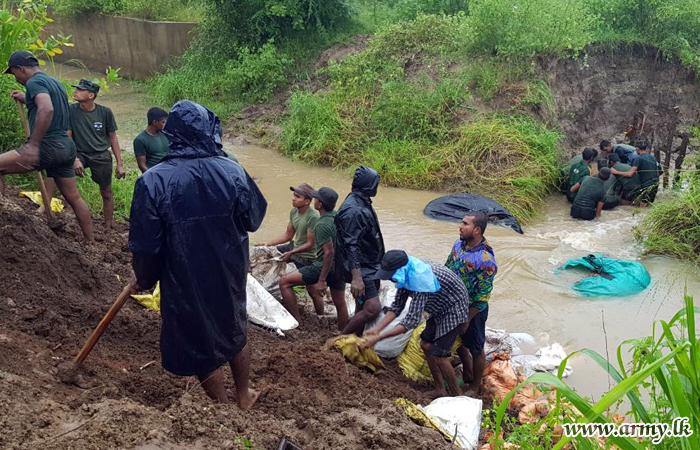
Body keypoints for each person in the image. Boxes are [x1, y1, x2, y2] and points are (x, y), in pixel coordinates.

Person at [128, 100, 267, 408]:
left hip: (182, 273)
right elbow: (254, 219)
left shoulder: (152, 180)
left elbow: (146, 244)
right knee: (234, 326)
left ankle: (221, 405)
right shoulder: (233, 171)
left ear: (171, 134)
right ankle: (244, 396)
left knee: (197, 335)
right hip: (228, 267)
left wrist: (145, 277)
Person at [0, 51, 93, 240]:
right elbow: (49, 105)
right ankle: (90, 241)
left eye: (14, 73)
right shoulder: (54, 83)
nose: (16, 78)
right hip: (66, 147)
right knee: (74, 198)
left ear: (21, 69)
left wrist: (33, 145)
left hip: (47, 145)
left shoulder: (34, 82)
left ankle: (3, 219)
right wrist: (25, 98)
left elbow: (47, 108)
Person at [363, 250, 470, 398]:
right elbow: (396, 307)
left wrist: (379, 337)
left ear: (399, 270)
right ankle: (440, 389)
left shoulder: (419, 279)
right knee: (426, 344)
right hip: (437, 305)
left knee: (440, 355)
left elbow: (411, 321)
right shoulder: (406, 273)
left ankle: (457, 396)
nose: (391, 280)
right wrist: (376, 329)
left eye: (391, 275)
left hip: (452, 307)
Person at [43, 79, 125, 229]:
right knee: (55, 168)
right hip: (78, 152)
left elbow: (113, 138)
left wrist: (120, 164)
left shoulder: (105, 112)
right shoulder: (71, 110)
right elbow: (68, 135)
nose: (75, 91)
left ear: (91, 95)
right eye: (76, 89)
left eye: (80, 90)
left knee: (106, 192)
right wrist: (74, 158)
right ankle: (44, 207)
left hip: (100, 154)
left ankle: (108, 225)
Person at [278, 187, 349, 330]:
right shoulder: (337, 217)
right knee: (340, 304)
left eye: (316, 199)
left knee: (284, 282)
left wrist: (322, 280)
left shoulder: (321, 224)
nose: (314, 201)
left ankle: (296, 322)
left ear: (320, 204)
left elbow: (328, 253)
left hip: (323, 266)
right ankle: (343, 333)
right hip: (339, 268)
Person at [445, 211, 498, 396]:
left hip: (473, 309)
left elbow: (483, 295)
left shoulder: (486, 260)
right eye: (461, 222)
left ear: (477, 230)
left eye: (465, 224)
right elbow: (447, 268)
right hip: (454, 303)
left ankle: (475, 387)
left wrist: (467, 318)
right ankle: (467, 371)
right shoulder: (458, 245)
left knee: (476, 347)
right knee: (459, 339)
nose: (460, 226)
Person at [336, 166, 385, 335]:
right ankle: (341, 339)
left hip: (370, 264)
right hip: (363, 268)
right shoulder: (353, 210)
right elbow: (351, 244)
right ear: (368, 185)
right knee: (372, 308)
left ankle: (353, 340)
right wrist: (357, 277)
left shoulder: (361, 201)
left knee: (362, 306)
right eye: (375, 183)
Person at [262, 183, 319, 268]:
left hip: (307, 257)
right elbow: (288, 236)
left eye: (298, 197)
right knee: (265, 254)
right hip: (294, 247)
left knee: (277, 268)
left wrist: (291, 253)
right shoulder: (294, 211)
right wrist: (268, 243)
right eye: (294, 195)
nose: (293, 199)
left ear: (307, 201)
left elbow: (310, 244)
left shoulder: (313, 217)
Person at [611, 140, 661, 207]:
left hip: (646, 186)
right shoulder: (653, 157)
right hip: (655, 185)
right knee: (647, 208)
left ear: (637, 149)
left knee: (641, 208)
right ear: (645, 148)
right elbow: (657, 173)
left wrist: (616, 172)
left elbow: (630, 174)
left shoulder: (639, 159)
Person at [134, 107, 169, 173]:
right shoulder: (140, 140)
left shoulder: (165, 135)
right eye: (163, 122)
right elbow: (142, 165)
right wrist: (152, 176)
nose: (165, 125)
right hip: (154, 173)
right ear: (155, 122)